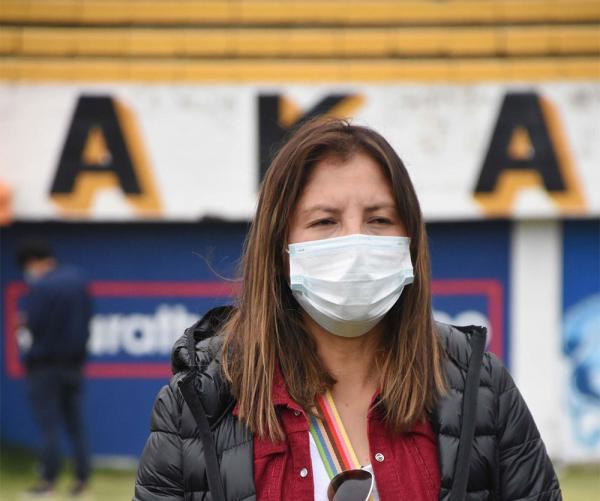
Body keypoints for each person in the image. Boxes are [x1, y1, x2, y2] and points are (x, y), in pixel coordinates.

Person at [134, 119, 561, 500]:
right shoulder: (199, 403)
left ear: (410, 243)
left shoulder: (481, 389)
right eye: (325, 222)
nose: (355, 243)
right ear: (280, 249)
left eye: (379, 220)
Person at [16, 239, 92, 496]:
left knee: (49, 425)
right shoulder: (79, 280)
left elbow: (34, 325)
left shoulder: (40, 286)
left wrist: (24, 323)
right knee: (75, 423)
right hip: (74, 365)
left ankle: (48, 481)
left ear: (33, 262)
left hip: (44, 366)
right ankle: (82, 480)